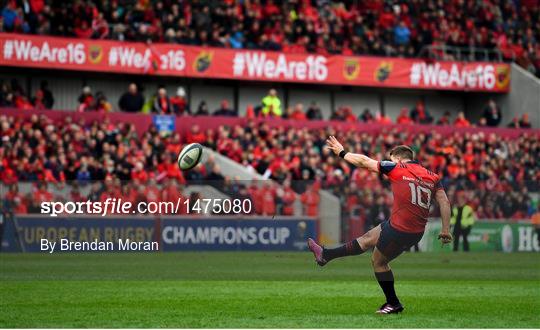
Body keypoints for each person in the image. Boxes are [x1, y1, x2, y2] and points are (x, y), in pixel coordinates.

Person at [308, 141, 452, 314]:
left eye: (391, 159)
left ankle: (393, 303)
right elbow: (444, 201)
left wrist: (342, 153)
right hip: (410, 228)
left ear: (398, 158)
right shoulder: (432, 176)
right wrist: (445, 229)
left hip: (401, 230)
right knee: (368, 238)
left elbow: (364, 162)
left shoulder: (397, 167)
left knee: (379, 262)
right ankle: (326, 255)